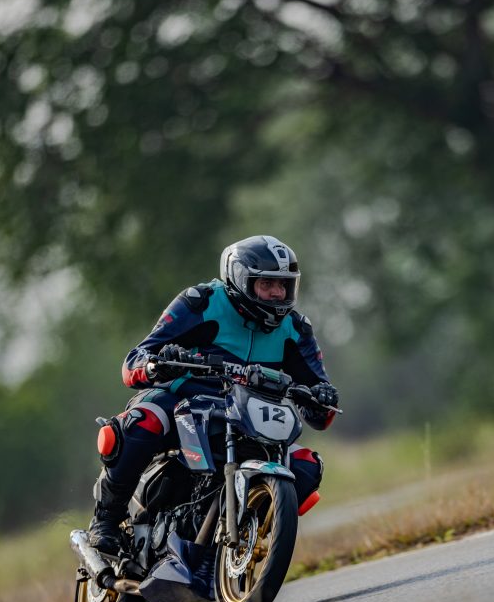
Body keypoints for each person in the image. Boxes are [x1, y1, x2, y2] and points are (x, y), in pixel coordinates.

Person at [88, 235, 339, 553]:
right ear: (240, 280)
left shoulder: (297, 329)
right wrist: (157, 365)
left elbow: (321, 412)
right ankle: (105, 521)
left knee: (306, 467)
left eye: (284, 285)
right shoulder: (201, 302)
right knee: (142, 421)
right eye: (267, 284)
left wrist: (323, 397)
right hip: (181, 399)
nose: (278, 293)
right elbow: (133, 363)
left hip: (249, 416)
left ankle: (242, 535)